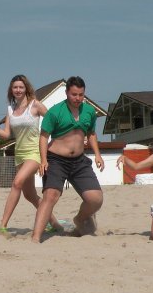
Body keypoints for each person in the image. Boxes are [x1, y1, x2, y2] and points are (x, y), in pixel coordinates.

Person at [0, 74, 62, 234]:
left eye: (21, 87)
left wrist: (58, 141)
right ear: (11, 90)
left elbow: (55, 122)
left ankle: (3, 226)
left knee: (16, 183)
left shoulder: (35, 105)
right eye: (15, 87)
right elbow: (6, 135)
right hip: (19, 155)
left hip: (34, 153)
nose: (18, 90)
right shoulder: (10, 109)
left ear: (26, 89)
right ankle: (54, 223)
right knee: (29, 195)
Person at [31, 76, 105, 243]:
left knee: (96, 199)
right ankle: (36, 237)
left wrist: (97, 154)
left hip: (79, 161)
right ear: (67, 93)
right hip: (56, 160)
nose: (78, 98)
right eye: (74, 94)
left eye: (81, 95)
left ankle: (80, 219)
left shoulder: (89, 111)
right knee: (51, 195)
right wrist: (44, 160)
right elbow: (44, 137)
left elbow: (91, 134)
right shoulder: (55, 112)